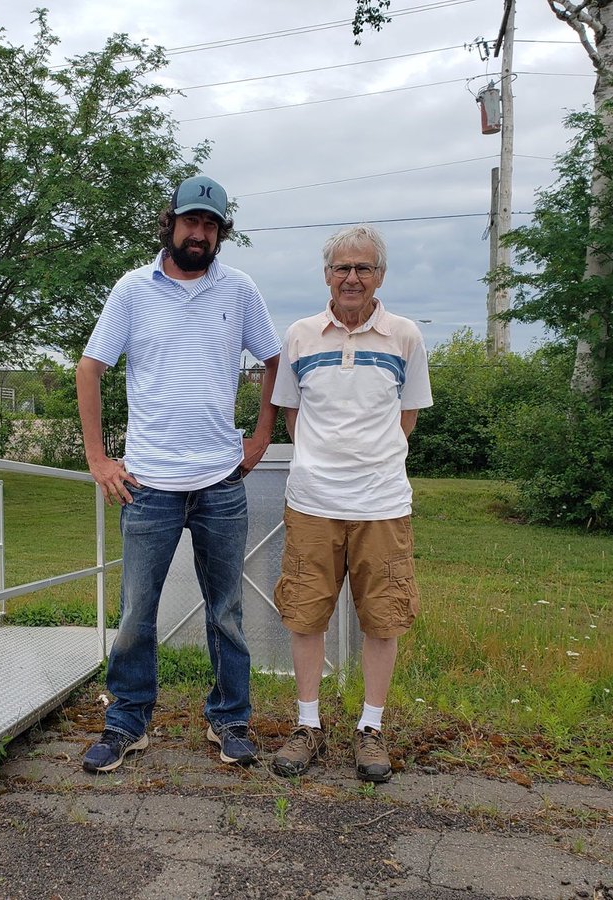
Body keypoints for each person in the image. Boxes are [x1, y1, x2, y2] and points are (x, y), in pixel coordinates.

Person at [76, 175, 281, 774]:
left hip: (221, 479)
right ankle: (126, 723)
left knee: (226, 611)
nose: (199, 233)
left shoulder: (239, 290)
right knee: (138, 610)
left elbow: (274, 360)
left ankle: (230, 721)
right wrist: (97, 458)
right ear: (170, 223)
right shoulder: (132, 290)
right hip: (148, 483)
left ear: (220, 234)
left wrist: (261, 436)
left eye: (211, 226)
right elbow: (90, 369)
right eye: (191, 222)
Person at [269, 224, 432, 782]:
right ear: (326, 276)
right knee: (306, 612)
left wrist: (372, 464)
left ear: (380, 276)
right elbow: (293, 416)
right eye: (343, 268)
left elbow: (407, 418)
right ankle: (308, 725)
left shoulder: (405, 337)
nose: (352, 278)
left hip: (382, 504)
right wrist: (323, 462)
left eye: (364, 268)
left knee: (382, 619)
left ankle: (371, 728)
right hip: (312, 501)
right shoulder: (300, 336)